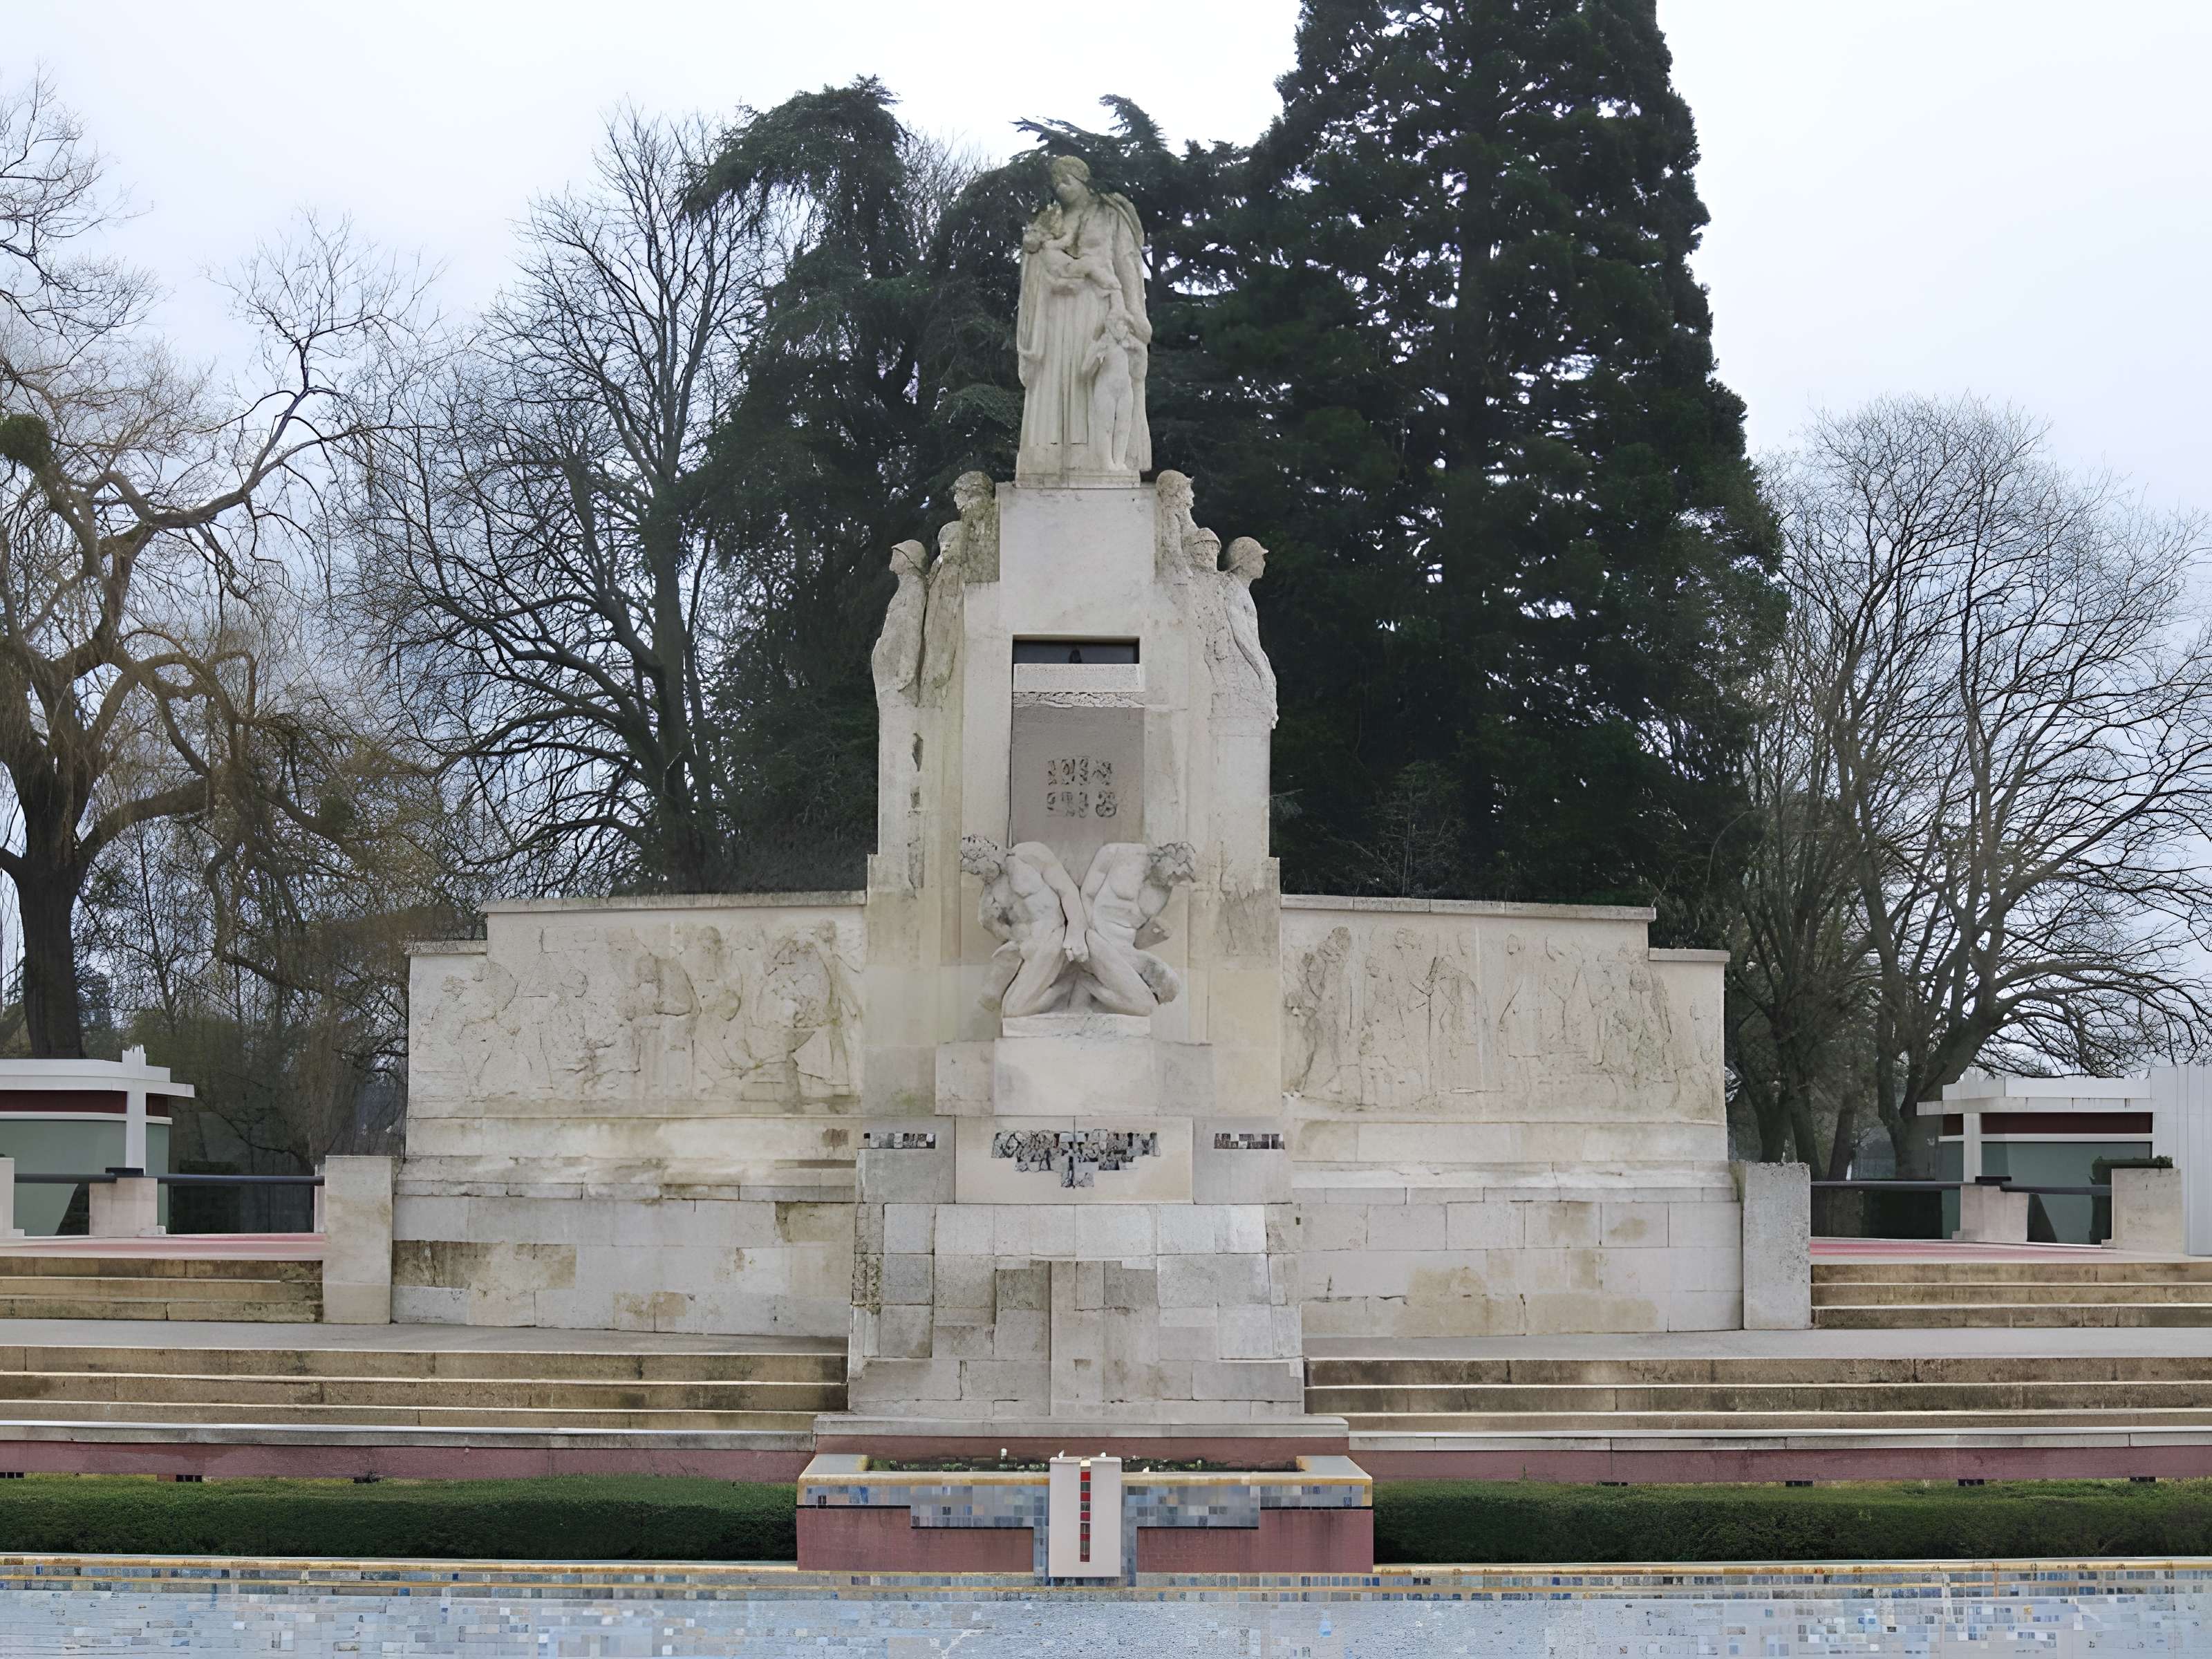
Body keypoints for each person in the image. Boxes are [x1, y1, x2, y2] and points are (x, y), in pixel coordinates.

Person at [961, 835, 1088, 1018]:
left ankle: (1075, 983)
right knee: (1007, 1009)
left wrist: (1076, 931)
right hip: (1032, 950)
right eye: (973, 873)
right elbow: (1006, 936)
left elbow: (1067, 890)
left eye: (978, 867)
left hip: (1056, 937)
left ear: (989, 854)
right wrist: (995, 923)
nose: (981, 875)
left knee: (1015, 1011)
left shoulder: (1030, 854)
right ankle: (1068, 985)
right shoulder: (988, 902)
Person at [1067, 841, 1197, 1015]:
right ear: (1168, 861)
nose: (1173, 882)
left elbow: (1135, 938)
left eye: (1178, 881)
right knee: (1147, 1007)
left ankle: (1099, 991)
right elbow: (1086, 897)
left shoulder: (1164, 891)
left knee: (1171, 987)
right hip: (1095, 940)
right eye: (1175, 875)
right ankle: (1086, 982)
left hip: (1126, 952)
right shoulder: (1118, 853)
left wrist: (1154, 937)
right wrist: (1086, 940)